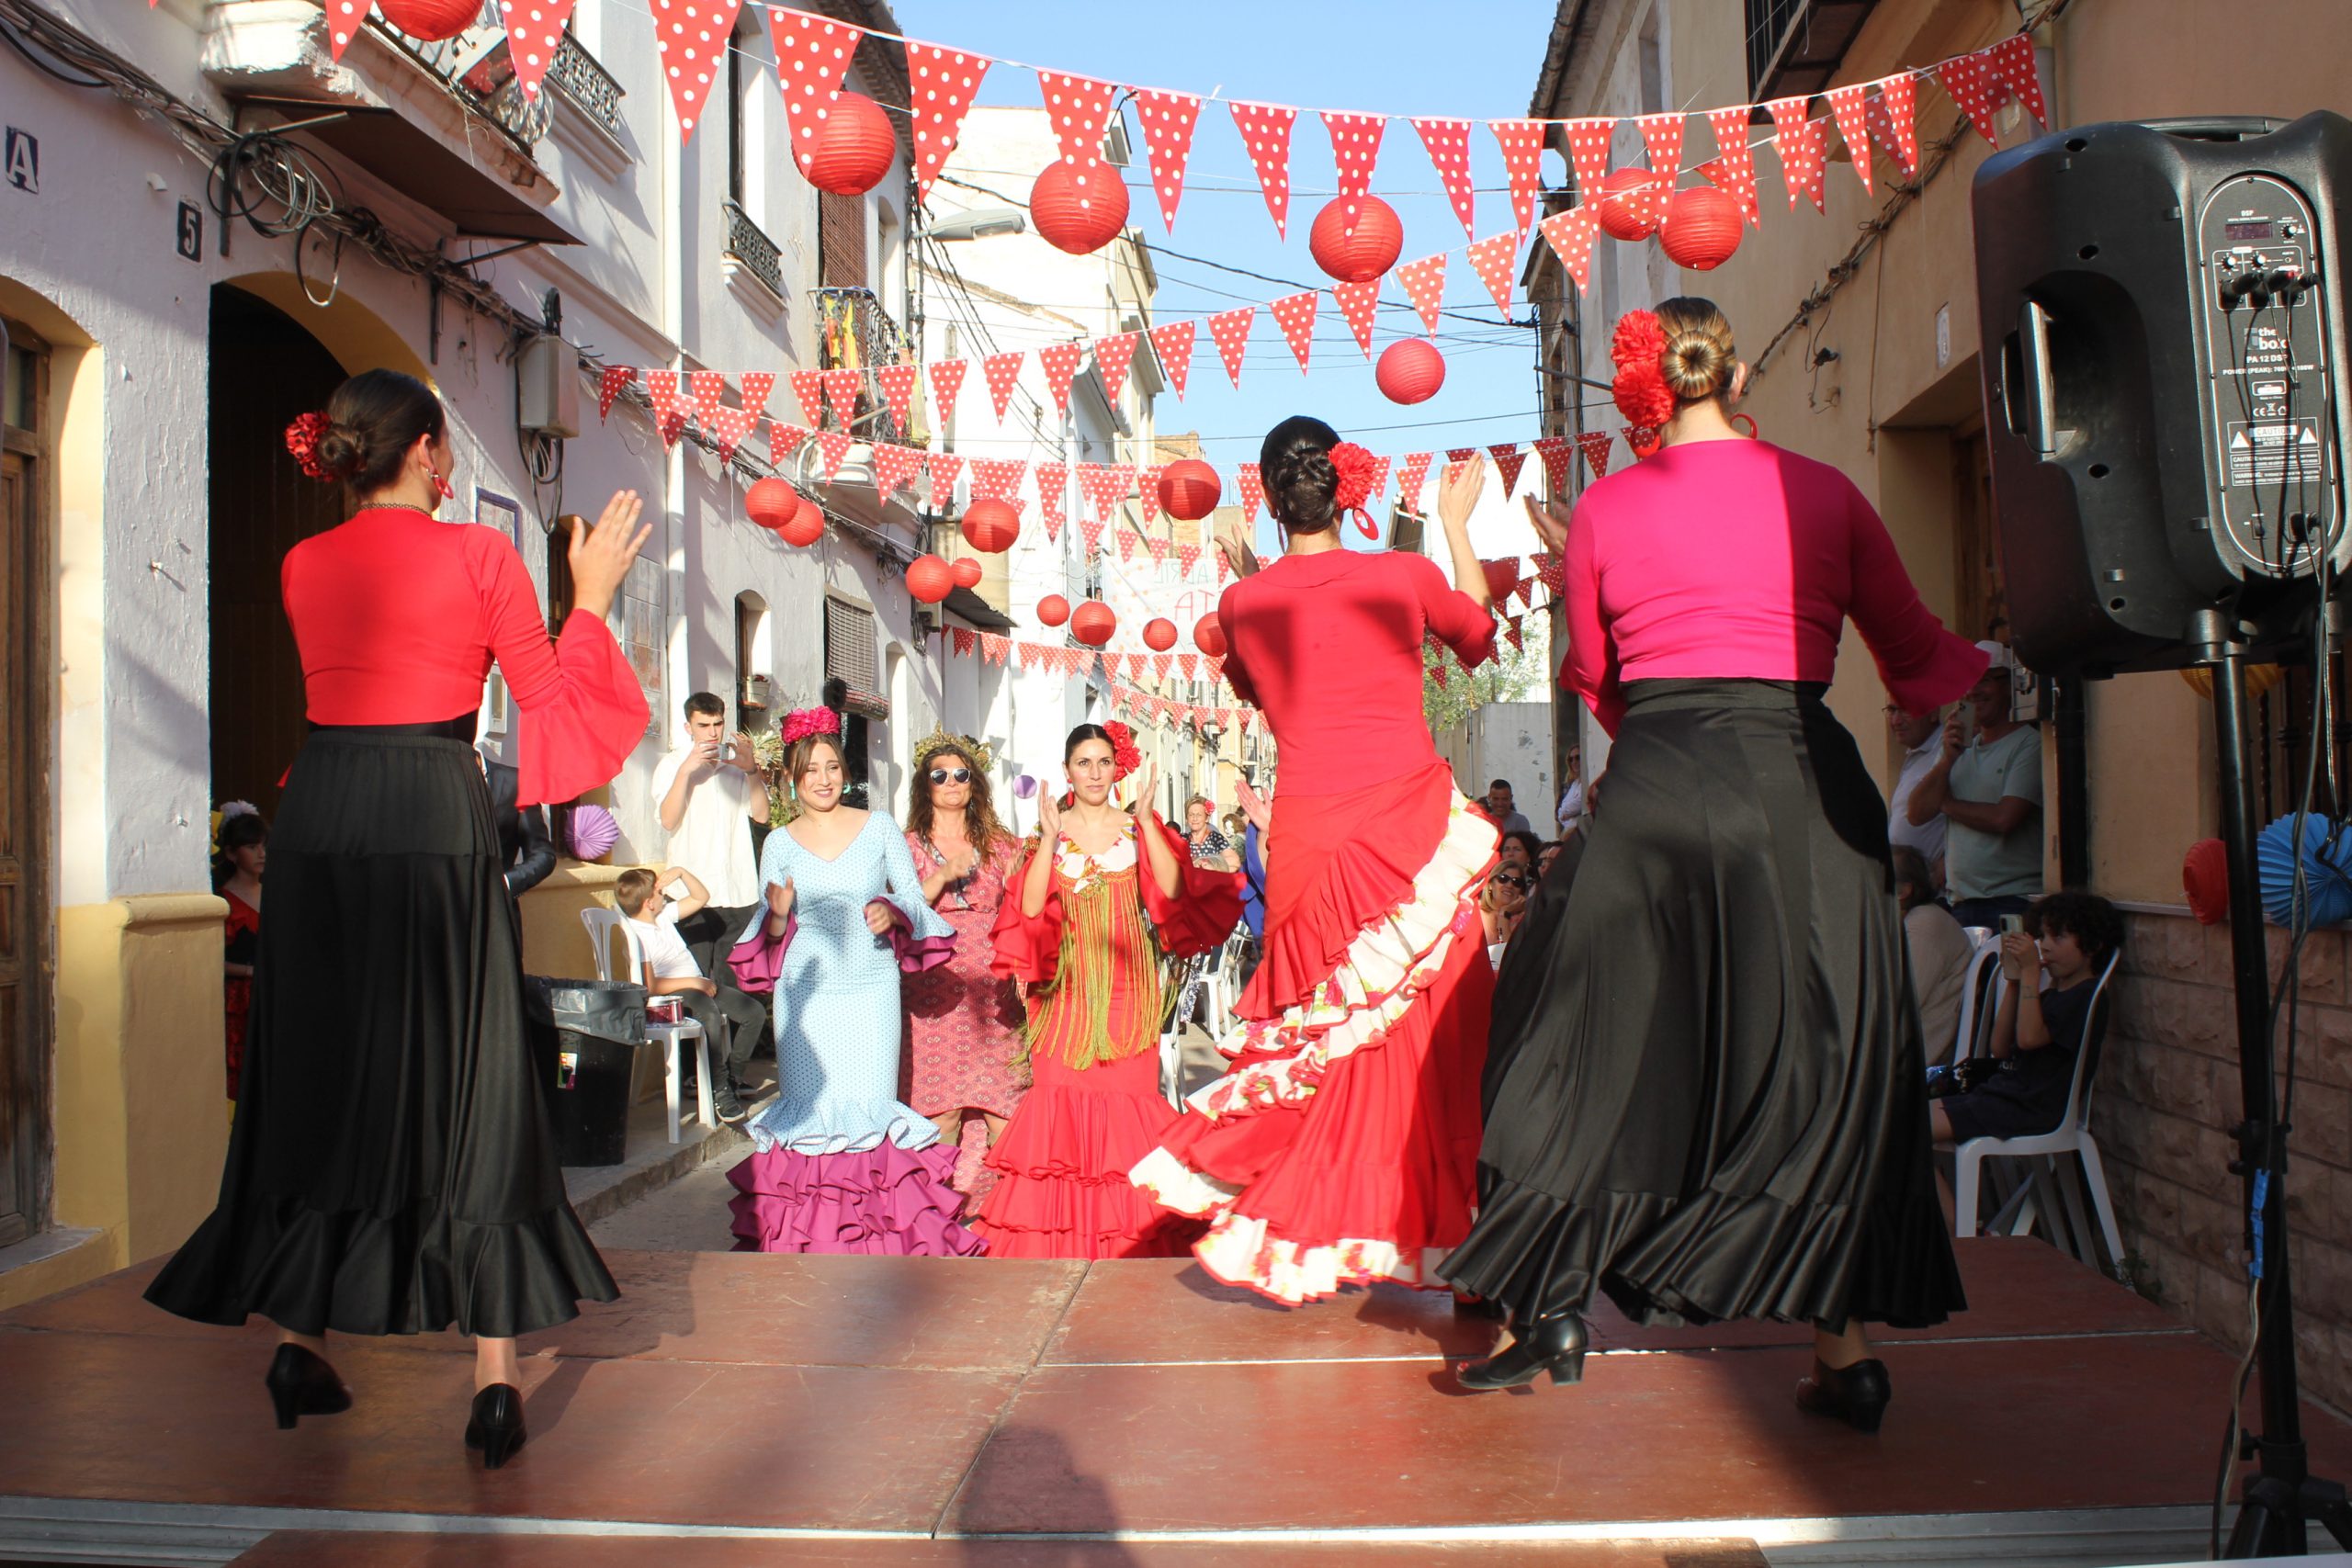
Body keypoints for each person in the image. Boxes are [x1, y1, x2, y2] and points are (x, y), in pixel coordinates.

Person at [1442, 299, 1982, 1429]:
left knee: (1567, 1023)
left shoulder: (1603, 506)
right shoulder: (1824, 491)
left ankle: (1553, 1302)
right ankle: (1845, 1354)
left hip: (1661, 778)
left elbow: (1598, 675)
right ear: (1735, 376)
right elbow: (1916, 660)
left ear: (1644, 390)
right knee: (1824, 1055)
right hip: (1805, 785)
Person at [148, 369, 651, 1469]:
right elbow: (552, 712)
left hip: (323, 810)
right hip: (430, 803)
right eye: (447, 447)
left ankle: (300, 1343)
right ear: (425, 450)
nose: (452, 462)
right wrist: (592, 601)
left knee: (326, 1068)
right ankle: (494, 1379)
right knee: (473, 1072)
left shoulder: (302, 561)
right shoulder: (479, 554)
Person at [1131, 417, 1499, 1303]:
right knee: (1438, 1035)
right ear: (1348, 486)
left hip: (1304, 839)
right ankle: (1466, 1243)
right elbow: (1480, 634)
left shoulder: (1242, 604)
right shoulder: (1402, 575)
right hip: (1407, 830)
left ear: (1267, 496)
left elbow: (1264, 688)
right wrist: (1454, 525)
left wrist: (1254, 575)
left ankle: (1317, 1234)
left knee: (1321, 1045)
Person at [975, 724, 1238, 1258]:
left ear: (1117, 769)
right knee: (1059, 1109)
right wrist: (1050, 840)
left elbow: (1173, 889)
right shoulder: (1047, 833)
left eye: (1103, 762)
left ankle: (1127, 1239)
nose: (1094, 773)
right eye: (1084, 763)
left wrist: (1147, 820)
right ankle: (1063, 1243)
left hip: (1127, 988)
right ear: (1067, 770)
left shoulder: (1138, 831)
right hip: (1062, 992)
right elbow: (1029, 907)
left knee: (1128, 1107)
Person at [721, 712, 979, 1257]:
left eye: (832, 767)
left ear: (845, 771)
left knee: (869, 1107)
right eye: (811, 769)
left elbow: (913, 899)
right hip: (805, 995)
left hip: (871, 988)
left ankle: (876, 1240)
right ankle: (807, 1240)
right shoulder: (778, 843)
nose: (824, 778)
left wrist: (892, 910)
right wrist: (778, 915)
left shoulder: (879, 826)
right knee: (808, 1111)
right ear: (792, 778)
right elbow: (768, 933)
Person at [901, 730, 1028, 1207]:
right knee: (941, 1112)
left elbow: (1025, 909)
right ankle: (936, 1214)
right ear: (925, 786)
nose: (952, 783)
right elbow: (901, 909)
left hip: (994, 988)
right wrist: (942, 874)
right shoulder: (906, 846)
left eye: (961, 774)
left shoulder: (1003, 845)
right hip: (933, 988)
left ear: (974, 782)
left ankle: (1008, 1215)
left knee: (1006, 1109)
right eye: (940, 776)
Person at [1934, 892, 2120, 1146]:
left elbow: (2029, 1039)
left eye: (2058, 937)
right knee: (1901, 1118)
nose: (2045, 946)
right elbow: (2000, 1048)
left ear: (2093, 944)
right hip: (2000, 1096)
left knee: (1909, 1132)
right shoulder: (2051, 996)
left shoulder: (2085, 995)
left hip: (2028, 1108)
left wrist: (2032, 971)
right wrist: (2015, 981)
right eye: (2043, 937)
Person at [1906, 645, 2043, 930]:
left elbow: (2004, 818)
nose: (1972, 691)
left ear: (2009, 685)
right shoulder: (1959, 748)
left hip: (2011, 900)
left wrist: (1946, 804)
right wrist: (1947, 760)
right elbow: (1916, 814)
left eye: (1984, 680)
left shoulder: (2028, 744)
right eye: (1966, 681)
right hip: (1961, 902)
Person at [615, 865, 761, 1125]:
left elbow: (701, 897)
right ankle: (719, 1089)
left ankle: (732, 1078)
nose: (664, 894)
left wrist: (682, 873)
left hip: (699, 986)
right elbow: (651, 986)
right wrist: (694, 982)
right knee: (709, 1013)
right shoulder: (637, 935)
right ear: (649, 903)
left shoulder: (663, 916)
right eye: (660, 892)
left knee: (754, 1012)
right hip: (672, 995)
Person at [650, 691, 768, 970]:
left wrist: (751, 771)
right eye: (703, 725)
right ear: (688, 727)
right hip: (691, 894)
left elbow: (762, 816)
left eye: (718, 724)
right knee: (695, 977)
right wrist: (685, 773)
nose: (712, 733)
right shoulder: (671, 765)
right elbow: (668, 821)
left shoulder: (736, 765)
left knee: (735, 983)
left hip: (737, 890)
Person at [1894, 846, 1973, 1066]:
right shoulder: (1902, 921)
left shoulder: (1924, 925)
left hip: (1913, 1061)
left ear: (1902, 891)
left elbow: (1897, 1002)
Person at [214, 804, 267, 1103]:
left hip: (273, 993)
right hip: (239, 998)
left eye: (264, 846)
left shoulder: (276, 893)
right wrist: (249, 972)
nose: (261, 853)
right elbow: (210, 961)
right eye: (251, 847)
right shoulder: (221, 902)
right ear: (232, 854)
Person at [480, 737, 558, 899]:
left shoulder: (517, 783)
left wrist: (506, 883)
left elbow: (543, 854)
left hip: (496, 907)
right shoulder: (433, 780)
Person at [1885, 704, 1947, 878]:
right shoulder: (1917, 753)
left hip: (1937, 885)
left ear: (1933, 712)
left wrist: (1950, 859)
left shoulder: (1950, 749)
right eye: (1891, 710)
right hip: (1912, 883)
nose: (1896, 721)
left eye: (1905, 710)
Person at [1185, 795, 1241, 872]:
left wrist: (1209, 864)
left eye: (1199, 815)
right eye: (1191, 815)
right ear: (1187, 818)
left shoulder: (1215, 838)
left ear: (1207, 818)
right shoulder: (1182, 838)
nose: (1195, 818)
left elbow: (1234, 862)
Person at [1555, 745, 1586, 833]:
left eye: (1578, 757)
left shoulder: (1588, 781)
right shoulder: (1574, 783)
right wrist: (1564, 813)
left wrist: (1565, 813)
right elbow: (1559, 812)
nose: (1574, 762)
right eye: (1571, 759)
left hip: (1581, 832)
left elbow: (1580, 803)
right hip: (1569, 832)